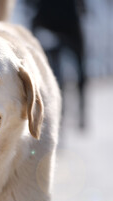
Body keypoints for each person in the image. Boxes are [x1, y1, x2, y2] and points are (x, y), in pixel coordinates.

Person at [24, 0, 88, 130]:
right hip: (57, 22)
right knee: (54, 73)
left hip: (57, 22)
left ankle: (76, 112)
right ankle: (61, 111)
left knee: (57, 73)